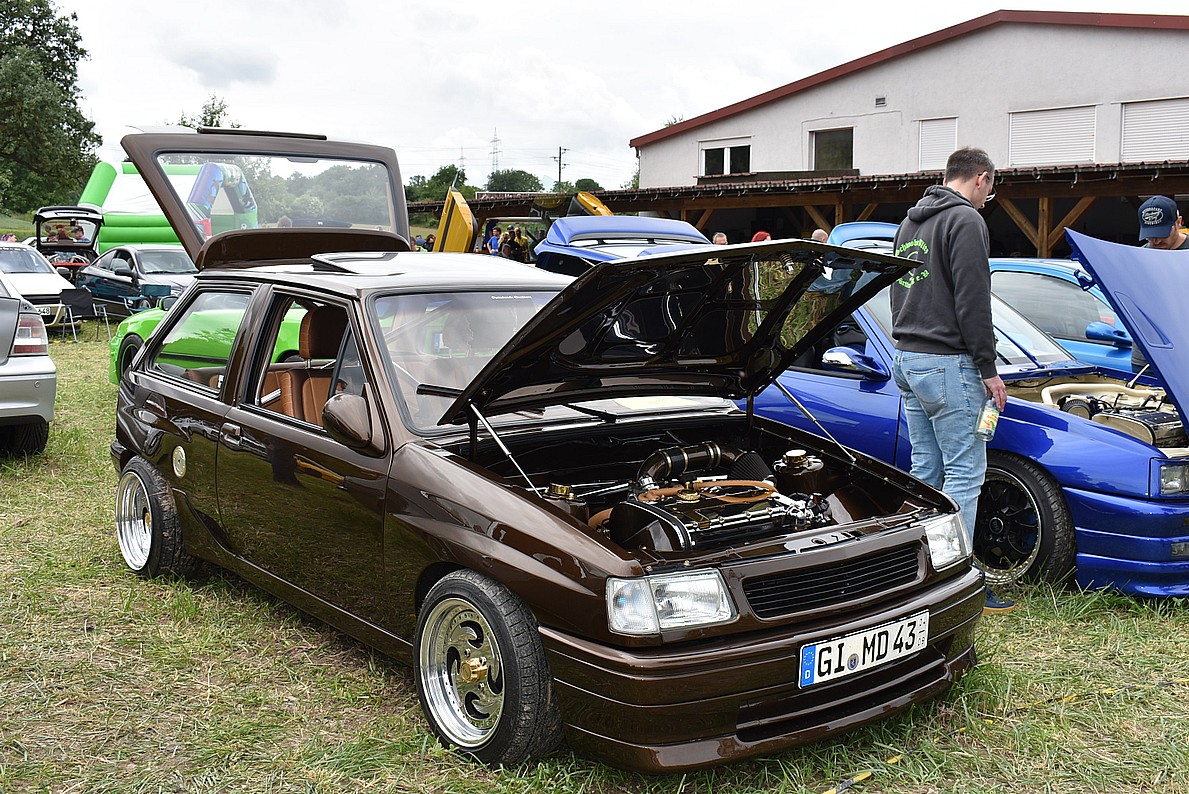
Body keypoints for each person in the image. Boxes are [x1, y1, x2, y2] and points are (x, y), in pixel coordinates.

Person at [889, 146, 1013, 615]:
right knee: (965, 474)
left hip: (909, 358)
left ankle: (910, 573)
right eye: (990, 191)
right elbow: (973, 299)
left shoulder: (910, 222)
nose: (987, 199)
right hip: (949, 363)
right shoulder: (966, 220)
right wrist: (988, 368)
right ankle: (958, 581)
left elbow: (900, 292)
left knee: (926, 473)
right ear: (981, 178)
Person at [1130, 196, 1189, 374]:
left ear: (1178, 222)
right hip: (1145, 358)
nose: (1156, 241)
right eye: (1150, 235)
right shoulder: (1137, 259)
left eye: (1162, 234)